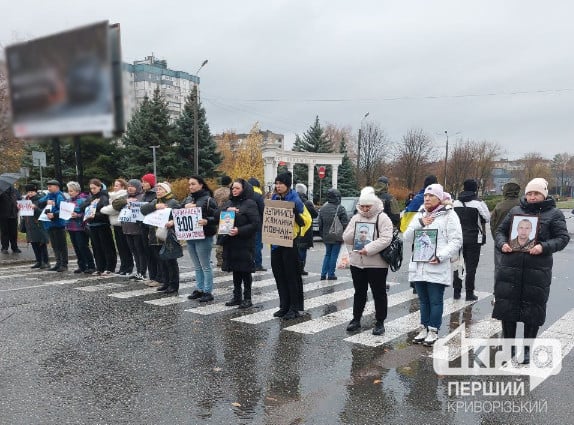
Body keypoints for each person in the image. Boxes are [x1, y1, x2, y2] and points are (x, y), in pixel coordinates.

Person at [493, 177, 570, 364]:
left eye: (536, 193)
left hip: (537, 271)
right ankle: (509, 347)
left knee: (532, 310)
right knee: (507, 308)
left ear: (544, 194)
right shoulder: (515, 211)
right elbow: (500, 232)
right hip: (510, 268)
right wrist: (502, 244)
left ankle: (526, 349)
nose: (532, 197)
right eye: (529, 193)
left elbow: (562, 238)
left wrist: (543, 247)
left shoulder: (554, 214)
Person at [404, 184, 463, 346]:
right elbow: (407, 236)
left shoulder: (449, 215)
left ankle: (433, 330)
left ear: (439, 198)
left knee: (435, 300)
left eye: (431, 196)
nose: (427, 199)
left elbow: (457, 241)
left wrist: (441, 256)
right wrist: (421, 223)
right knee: (423, 300)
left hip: (436, 264)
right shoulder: (421, 214)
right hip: (419, 265)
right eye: (425, 196)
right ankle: (423, 327)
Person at [342, 186, 393, 335]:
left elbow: (386, 239)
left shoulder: (382, 218)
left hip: (377, 263)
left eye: (368, 206)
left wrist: (369, 249)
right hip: (358, 262)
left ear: (374, 205)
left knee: (379, 293)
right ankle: (356, 319)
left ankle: (380, 322)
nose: (364, 209)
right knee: (359, 292)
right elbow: (346, 237)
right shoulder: (356, 217)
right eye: (362, 206)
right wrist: (355, 229)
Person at [270, 171, 312, 320]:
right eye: (277, 183)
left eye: (281, 183)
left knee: (291, 276)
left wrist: (295, 213)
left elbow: (306, 222)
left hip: (290, 242)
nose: (278, 186)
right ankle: (284, 306)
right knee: (279, 275)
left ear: (287, 185)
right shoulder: (274, 198)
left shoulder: (296, 200)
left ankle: (295, 307)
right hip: (276, 242)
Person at [220, 178, 261, 309]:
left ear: (244, 189)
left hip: (244, 242)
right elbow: (217, 215)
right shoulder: (229, 202)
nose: (234, 190)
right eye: (233, 188)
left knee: (245, 271)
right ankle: (236, 296)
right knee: (235, 270)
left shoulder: (250, 203)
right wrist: (227, 210)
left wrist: (239, 230)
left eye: (237, 188)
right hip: (231, 242)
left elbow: (255, 224)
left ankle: (247, 298)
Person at [181, 176, 219, 302]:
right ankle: (199, 288)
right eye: (189, 184)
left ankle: (208, 291)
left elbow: (218, 217)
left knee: (205, 265)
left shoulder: (208, 200)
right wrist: (184, 208)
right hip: (190, 235)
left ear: (201, 185)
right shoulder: (188, 199)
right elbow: (176, 213)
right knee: (197, 265)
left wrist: (207, 221)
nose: (190, 186)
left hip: (204, 236)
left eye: (193, 184)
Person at [452, 179, 491, 300]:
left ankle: (456, 292)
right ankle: (469, 293)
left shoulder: (455, 203)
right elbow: (487, 218)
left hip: (458, 238)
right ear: (475, 189)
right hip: (474, 239)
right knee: (471, 267)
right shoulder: (479, 203)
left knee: (458, 265)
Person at [140, 182, 180, 294]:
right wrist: (155, 206)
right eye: (157, 189)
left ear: (167, 191)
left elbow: (179, 217)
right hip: (155, 236)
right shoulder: (155, 201)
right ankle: (165, 283)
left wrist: (172, 222)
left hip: (168, 236)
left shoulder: (173, 202)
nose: (158, 191)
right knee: (161, 261)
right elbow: (143, 210)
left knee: (170, 261)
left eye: (160, 189)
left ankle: (174, 285)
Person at [113, 179, 147, 282]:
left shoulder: (142, 197)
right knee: (134, 252)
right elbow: (115, 204)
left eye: (133, 186)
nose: (130, 188)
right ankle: (138, 272)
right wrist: (126, 201)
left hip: (138, 229)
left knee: (140, 251)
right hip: (127, 229)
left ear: (138, 187)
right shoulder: (126, 197)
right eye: (129, 186)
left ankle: (142, 272)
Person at [83, 178, 117, 276]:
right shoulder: (91, 197)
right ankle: (100, 267)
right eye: (91, 188)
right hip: (92, 225)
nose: (92, 190)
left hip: (102, 224)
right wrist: (90, 203)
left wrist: (95, 215)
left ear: (100, 187)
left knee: (106, 247)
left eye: (94, 188)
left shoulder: (104, 196)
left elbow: (105, 211)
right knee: (96, 247)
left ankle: (109, 267)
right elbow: (83, 206)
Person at [102, 179, 134, 276]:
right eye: (114, 185)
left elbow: (113, 210)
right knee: (120, 248)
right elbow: (108, 209)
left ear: (123, 187)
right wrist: (108, 209)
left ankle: (128, 267)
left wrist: (109, 209)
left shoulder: (123, 196)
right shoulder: (112, 197)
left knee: (126, 247)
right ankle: (123, 267)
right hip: (115, 224)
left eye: (117, 186)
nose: (115, 187)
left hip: (123, 224)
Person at [38, 180, 69, 272]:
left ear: (57, 186)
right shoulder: (49, 196)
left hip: (59, 224)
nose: (49, 188)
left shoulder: (60, 196)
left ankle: (64, 264)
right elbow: (40, 203)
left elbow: (64, 209)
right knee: (54, 245)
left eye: (51, 186)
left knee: (61, 245)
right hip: (49, 224)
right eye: (48, 186)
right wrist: (46, 202)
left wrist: (54, 215)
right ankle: (58, 263)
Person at [318, 188, 349, 280]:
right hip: (337, 236)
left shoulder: (323, 208)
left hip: (326, 235)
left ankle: (323, 274)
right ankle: (331, 274)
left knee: (327, 254)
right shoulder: (340, 208)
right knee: (334, 254)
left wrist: (322, 235)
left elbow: (320, 223)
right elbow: (345, 223)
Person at [66, 181, 96, 274]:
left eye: (71, 191)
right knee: (76, 247)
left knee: (83, 246)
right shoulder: (68, 201)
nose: (69, 193)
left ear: (77, 191)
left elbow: (87, 213)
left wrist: (78, 215)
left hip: (80, 227)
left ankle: (91, 265)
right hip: (70, 226)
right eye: (69, 191)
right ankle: (82, 265)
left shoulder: (83, 200)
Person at [19, 183, 50, 268]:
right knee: (34, 243)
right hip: (29, 225)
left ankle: (46, 262)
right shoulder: (26, 200)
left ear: (36, 191)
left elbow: (44, 212)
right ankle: (38, 261)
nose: (30, 193)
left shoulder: (41, 199)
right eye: (28, 192)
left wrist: (35, 208)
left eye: (32, 191)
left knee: (41, 243)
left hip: (38, 224)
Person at [490, 180, 521, 261]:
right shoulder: (522, 204)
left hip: (502, 240)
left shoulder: (499, 206)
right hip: (520, 240)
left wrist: (497, 239)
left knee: (501, 266)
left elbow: (493, 224)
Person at [295, 183, 318, 275]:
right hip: (305, 230)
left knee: (295, 250)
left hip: (295, 229)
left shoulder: (292, 201)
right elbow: (315, 215)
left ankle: (295, 268)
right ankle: (300, 269)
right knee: (302, 250)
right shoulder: (308, 203)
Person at [141, 173, 158, 284]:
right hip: (143, 225)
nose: (143, 184)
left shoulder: (155, 195)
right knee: (148, 253)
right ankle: (152, 276)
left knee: (154, 253)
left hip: (151, 227)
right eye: (142, 182)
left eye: (145, 182)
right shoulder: (144, 195)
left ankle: (158, 277)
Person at [247, 177, 266, 271]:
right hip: (257, 224)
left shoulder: (244, 194)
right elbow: (263, 210)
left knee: (247, 244)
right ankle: (258, 264)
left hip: (245, 224)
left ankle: (248, 263)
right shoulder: (258, 196)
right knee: (257, 244)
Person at [213, 175, 232, 268]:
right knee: (227, 238)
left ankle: (219, 258)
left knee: (219, 238)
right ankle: (227, 258)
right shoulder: (230, 192)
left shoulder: (216, 192)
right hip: (228, 217)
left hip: (217, 216)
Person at [0, 184, 21, 254]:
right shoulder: (1, 191)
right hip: (3, 215)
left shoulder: (15, 191)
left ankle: (15, 247)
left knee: (14, 233)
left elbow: (20, 199)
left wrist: (19, 205)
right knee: (4, 232)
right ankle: (4, 248)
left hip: (13, 214)